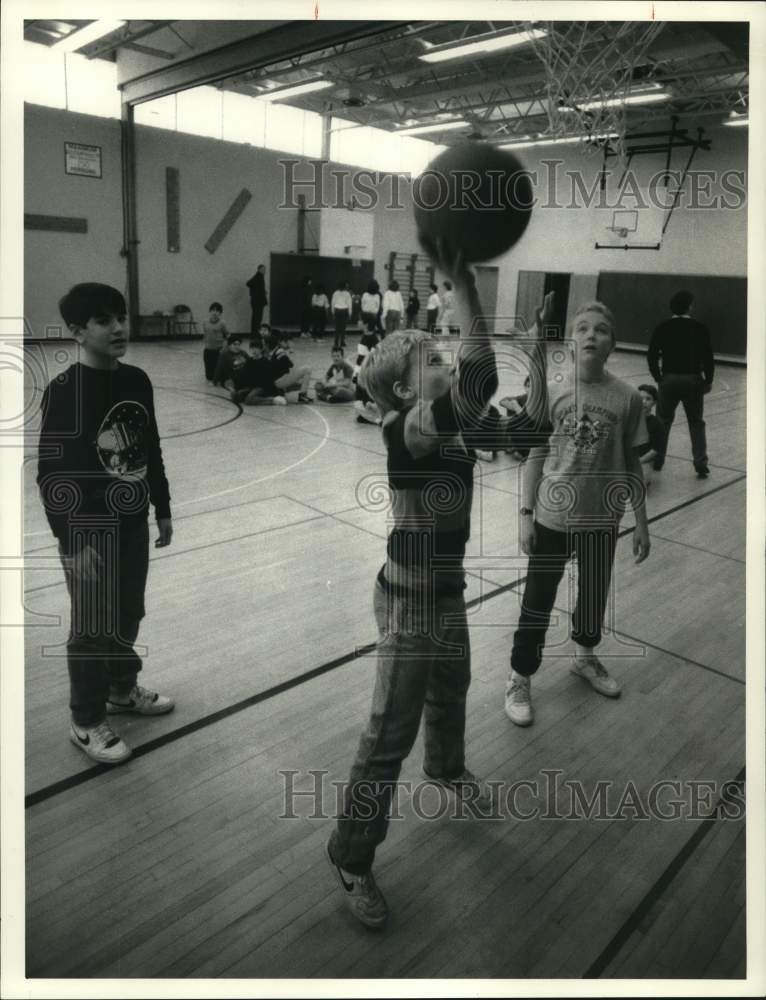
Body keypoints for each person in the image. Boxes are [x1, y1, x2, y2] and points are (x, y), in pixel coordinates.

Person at [325, 241, 550, 929]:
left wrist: (518, 336)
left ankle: (447, 771)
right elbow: (474, 384)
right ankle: (351, 854)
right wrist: (464, 286)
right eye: (430, 361)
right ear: (400, 388)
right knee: (386, 734)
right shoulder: (406, 430)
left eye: (442, 354)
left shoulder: (448, 427)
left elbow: (511, 407)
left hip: (444, 589)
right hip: (410, 599)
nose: (445, 362)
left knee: (451, 690)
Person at [36, 283, 174, 765]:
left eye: (120, 316)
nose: (118, 327)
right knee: (92, 628)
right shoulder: (66, 392)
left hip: (133, 523)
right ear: (78, 332)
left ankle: (121, 687)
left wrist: (163, 505)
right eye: (103, 321)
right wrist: (72, 542)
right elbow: (51, 476)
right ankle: (86, 719)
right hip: (88, 533)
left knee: (129, 613)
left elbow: (149, 447)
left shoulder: (137, 380)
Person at [505, 301, 651, 730]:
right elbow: (534, 453)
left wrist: (641, 522)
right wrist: (524, 514)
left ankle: (585, 657)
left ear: (613, 343)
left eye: (601, 330)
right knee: (536, 603)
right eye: (582, 328)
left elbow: (632, 464)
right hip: (552, 518)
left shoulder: (626, 397)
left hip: (604, 520)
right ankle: (519, 676)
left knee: (593, 598)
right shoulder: (554, 388)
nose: (591, 335)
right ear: (571, 340)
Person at [647, 290, 714, 478]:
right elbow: (708, 358)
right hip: (692, 380)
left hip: (668, 379)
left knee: (662, 422)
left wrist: (658, 377)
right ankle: (700, 463)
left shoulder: (662, 327)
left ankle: (657, 459)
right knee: (696, 423)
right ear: (689, 306)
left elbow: (651, 355)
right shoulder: (700, 328)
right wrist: (708, 380)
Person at [230, 338, 287, 406]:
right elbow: (243, 376)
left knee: (249, 400)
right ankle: (251, 396)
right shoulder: (250, 361)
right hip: (251, 386)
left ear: (260, 349)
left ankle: (273, 400)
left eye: (256, 348)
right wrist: (236, 388)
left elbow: (268, 381)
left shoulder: (265, 362)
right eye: (252, 348)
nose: (254, 350)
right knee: (234, 396)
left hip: (261, 387)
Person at [268, 330, 313, 403]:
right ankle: (302, 395)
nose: (291, 344)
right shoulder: (281, 351)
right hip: (279, 381)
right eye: (289, 341)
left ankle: (283, 391)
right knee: (307, 369)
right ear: (283, 342)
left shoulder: (277, 350)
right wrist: (291, 354)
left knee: (302, 382)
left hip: (277, 380)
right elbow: (291, 365)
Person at [353, 324, 382, 426]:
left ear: (365, 323)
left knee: (360, 402)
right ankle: (371, 415)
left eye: (360, 320)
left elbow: (364, 358)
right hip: (364, 372)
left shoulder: (371, 339)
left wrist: (357, 373)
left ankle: (377, 419)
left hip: (366, 373)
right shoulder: (367, 337)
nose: (358, 322)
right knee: (360, 402)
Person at [636, 383, 664, 487]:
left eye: (648, 399)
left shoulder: (657, 424)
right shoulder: (628, 419)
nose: (644, 402)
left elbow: (655, 450)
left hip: (644, 461)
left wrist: (638, 462)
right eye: (640, 398)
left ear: (654, 403)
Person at [202, 301, 228, 383]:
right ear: (210, 311)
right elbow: (205, 334)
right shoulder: (205, 322)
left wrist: (224, 348)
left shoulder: (222, 323)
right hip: (208, 350)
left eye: (217, 311)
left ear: (220, 313)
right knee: (209, 377)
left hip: (218, 350)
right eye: (213, 310)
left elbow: (227, 336)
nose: (215, 312)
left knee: (218, 376)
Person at [246, 263, 268, 333]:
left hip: (256, 301)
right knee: (257, 318)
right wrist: (256, 293)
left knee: (256, 318)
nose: (264, 271)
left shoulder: (259, 276)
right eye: (263, 269)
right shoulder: (258, 276)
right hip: (258, 301)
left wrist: (259, 291)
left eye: (265, 269)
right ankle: (255, 334)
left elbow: (253, 285)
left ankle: (255, 333)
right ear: (259, 269)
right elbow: (248, 283)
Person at [331, 281, 353, 349]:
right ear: (344, 287)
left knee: (337, 327)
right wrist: (350, 313)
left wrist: (333, 312)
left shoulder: (335, 293)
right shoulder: (347, 294)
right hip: (344, 311)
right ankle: (342, 342)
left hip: (337, 310)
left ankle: (336, 342)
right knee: (343, 328)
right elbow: (349, 304)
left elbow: (333, 303)